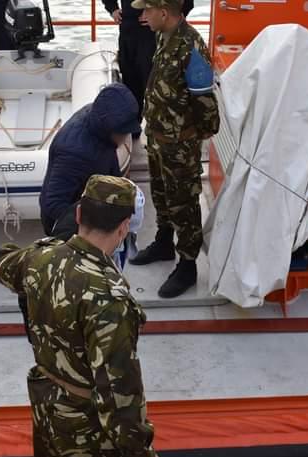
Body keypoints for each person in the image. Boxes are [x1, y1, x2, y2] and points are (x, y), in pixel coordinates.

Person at [0, 175, 163, 457]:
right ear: (124, 227)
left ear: (80, 214)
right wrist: (143, 455)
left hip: (46, 406)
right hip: (88, 428)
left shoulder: (40, 257)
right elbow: (118, 389)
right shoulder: (109, 297)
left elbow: (3, 265)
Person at [129, 0, 220, 298]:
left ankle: (188, 266)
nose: (143, 15)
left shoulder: (191, 48)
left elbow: (206, 107)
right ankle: (164, 242)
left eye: (147, 10)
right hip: (158, 139)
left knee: (184, 204)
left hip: (179, 146)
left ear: (164, 12)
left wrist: (188, 138)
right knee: (161, 194)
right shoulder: (163, 36)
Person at [39, 82, 141, 240]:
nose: (126, 136)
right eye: (123, 131)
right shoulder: (74, 153)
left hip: (94, 205)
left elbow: (109, 159)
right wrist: (95, 228)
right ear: (109, 129)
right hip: (71, 228)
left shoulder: (100, 127)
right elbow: (54, 204)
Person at [102, 0, 193, 132]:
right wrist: (113, 8)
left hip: (156, 34)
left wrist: (167, 17)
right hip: (129, 30)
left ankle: (161, 129)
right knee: (130, 82)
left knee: (157, 84)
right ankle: (133, 127)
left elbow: (187, 3)